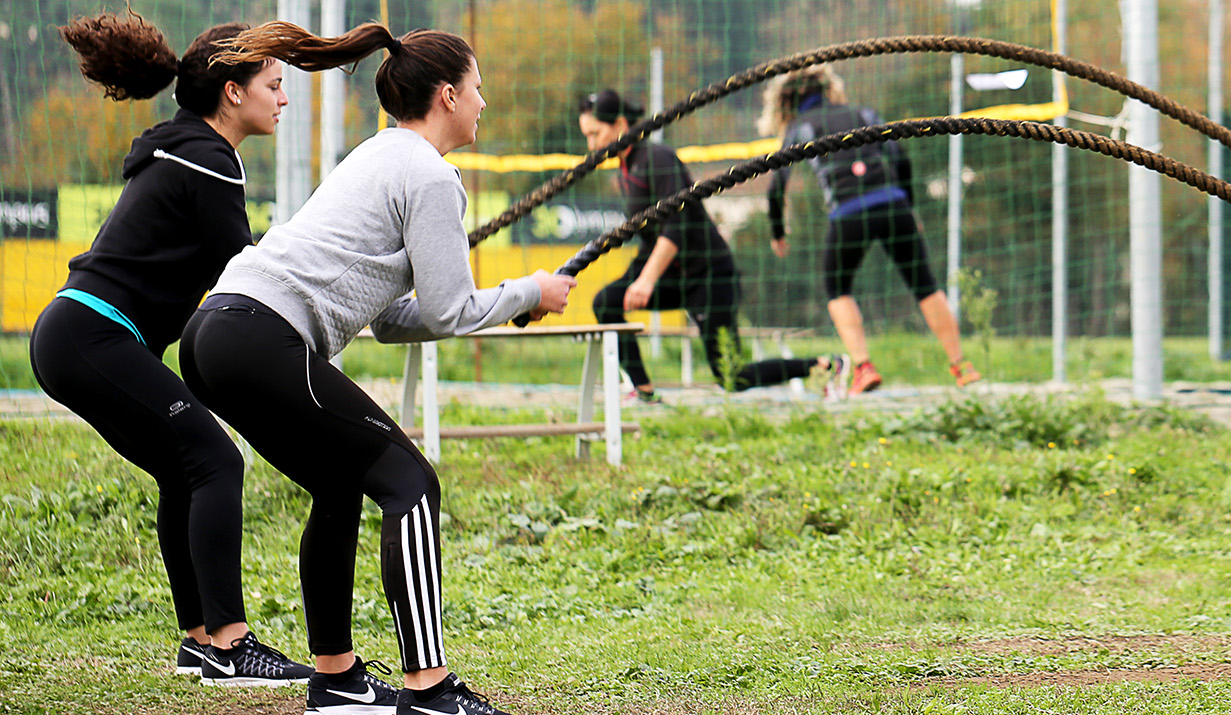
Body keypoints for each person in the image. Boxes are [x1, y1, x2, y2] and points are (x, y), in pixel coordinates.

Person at [182, 21, 575, 715]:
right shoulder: (428, 174)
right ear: (448, 94)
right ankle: (428, 688)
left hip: (217, 333)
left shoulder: (381, 154)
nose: (484, 103)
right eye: (479, 89)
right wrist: (529, 293)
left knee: (340, 481)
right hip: (260, 335)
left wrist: (512, 302)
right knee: (411, 482)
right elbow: (452, 310)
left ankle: (336, 679)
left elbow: (392, 318)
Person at [27, 11, 315, 689]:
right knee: (215, 459)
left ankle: (200, 640)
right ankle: (233, 644)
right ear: (233, 91)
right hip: (93, 332)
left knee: (187, 469)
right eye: (274, 83)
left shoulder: (187, 145)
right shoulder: (211, 159)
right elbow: (243, 274)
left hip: (77, 333)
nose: (283, 97)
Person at [579, 89, 850, 401]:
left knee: (732, 376)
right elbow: (650, 238)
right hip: (673, 273)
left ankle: (825, 365)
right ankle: (644, 392)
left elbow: (677, 226)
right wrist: (637, 274)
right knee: (606, 302)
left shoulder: (657, 158)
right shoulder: (625, 169)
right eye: (587, 135)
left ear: (620, 125)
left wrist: (646, 280)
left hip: (709, 275)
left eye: (595, 133)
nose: (592, 144)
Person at [757, 65, 982, 395]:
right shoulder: (863, 112)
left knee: (836, 288)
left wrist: (778, 232)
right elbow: (900, 158)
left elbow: (776, 187)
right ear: (828, 88)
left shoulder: (799, 127)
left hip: (849, 214)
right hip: (893, 204)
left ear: (785, 102)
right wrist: (911, 205)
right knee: (926, 285)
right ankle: (961, 366)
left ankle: (863, 366)